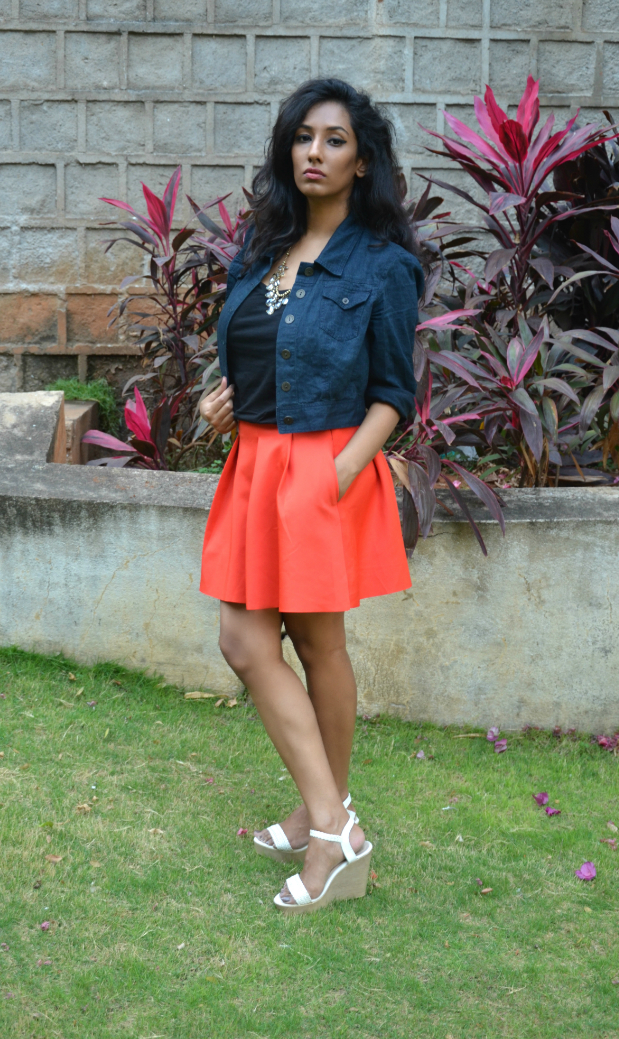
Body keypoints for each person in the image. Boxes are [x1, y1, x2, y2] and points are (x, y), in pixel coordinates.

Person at [198, 77, 424, 914]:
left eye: (333, 140)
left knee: (314, 642)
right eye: (302, 138)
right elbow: (252, 358)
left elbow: (394, 393)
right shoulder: (261, 251)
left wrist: (334, 476)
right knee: (247, 638)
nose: (314, 153)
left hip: (324, 465)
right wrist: (219, 404)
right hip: (256, 461)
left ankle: (326, 823)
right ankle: (325, 815)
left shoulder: (385, 265)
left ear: (363, 160)